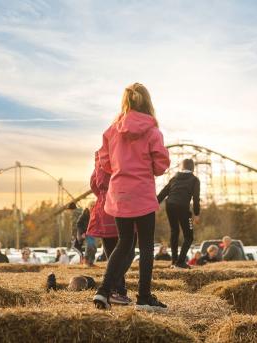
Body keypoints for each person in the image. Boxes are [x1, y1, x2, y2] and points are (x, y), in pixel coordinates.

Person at [93, 83, 171, 312]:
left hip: (119, 194)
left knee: (124, 242)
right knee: (146, 247)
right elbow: (160, 166)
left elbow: (105, 163)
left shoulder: (111, 130)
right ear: (147, 102)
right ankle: (144, 297)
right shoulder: (152, 130)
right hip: (142, 193)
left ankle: (104, 291)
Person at [88, 151, 134, 306]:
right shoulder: (120, 154)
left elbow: (93, 183)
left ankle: (118, 292)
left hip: (103, 208)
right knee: (127, 252)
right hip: (119, 205)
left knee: (112, 254)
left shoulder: (99, 159)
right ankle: (110, 289)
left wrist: (102, 195)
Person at [157, 158, 201, 269]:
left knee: (174, 232)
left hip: (170, 205)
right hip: (182, 207)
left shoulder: (174, 178)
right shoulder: (195, 180)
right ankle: (180, 262)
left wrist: (154, 204)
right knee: (189, 236)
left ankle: (174, 261)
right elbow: (196, 199)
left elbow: (163, 192)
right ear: (193, 168)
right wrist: (196, 213)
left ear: (182, 167)